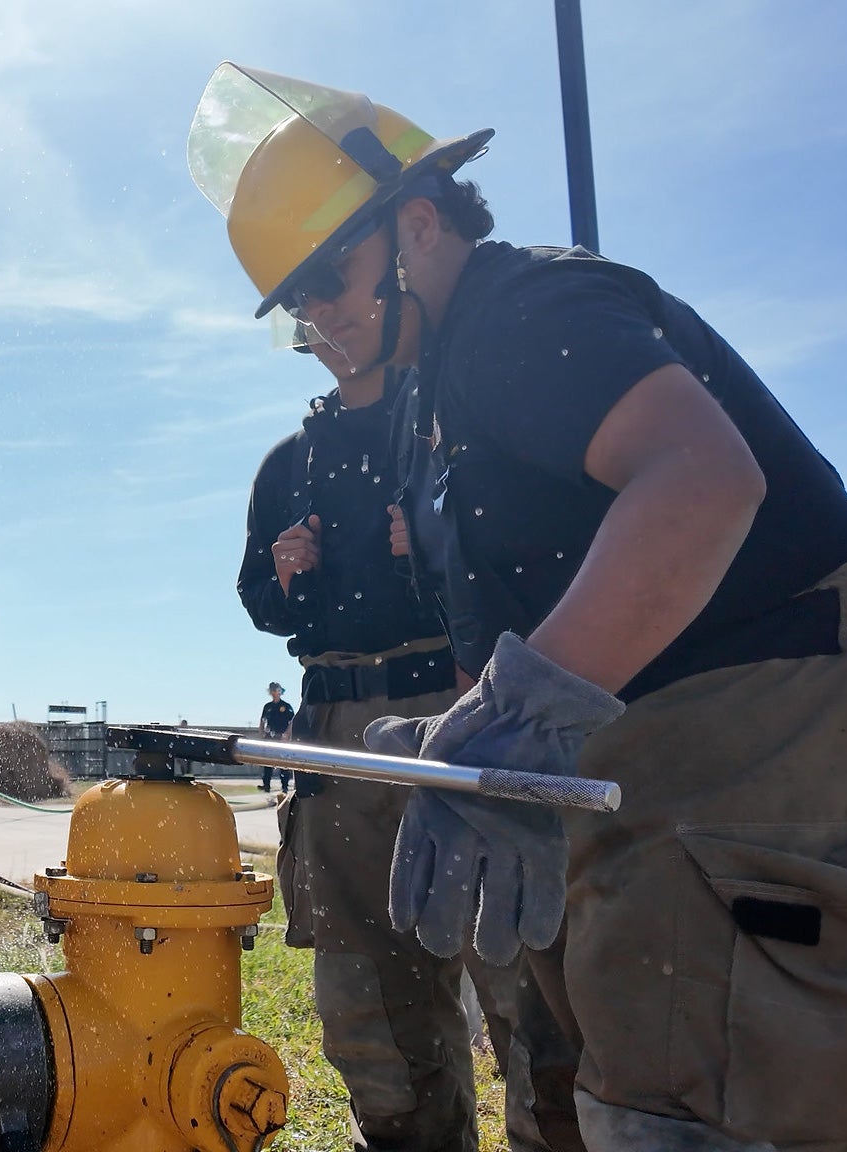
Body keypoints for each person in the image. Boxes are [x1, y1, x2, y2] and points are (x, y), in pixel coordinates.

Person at [190, 66, 847, 1152]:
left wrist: (524, 711)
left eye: (328, 276)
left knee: (721, 1060)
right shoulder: (436, 393)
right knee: (622, 1015)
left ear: (416, 226)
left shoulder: (524, 311)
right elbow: (498, 606)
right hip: (649, 693)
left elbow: (702, 482)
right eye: (297, 306)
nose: (318, 317)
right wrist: (466, 736)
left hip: (753, 674)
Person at [234, 321, 518, 1152]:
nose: (330, 325)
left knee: (517, 974)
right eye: (311, 311)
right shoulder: (286, 463)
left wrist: (440, 549)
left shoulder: (453, 427)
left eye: (344, 297)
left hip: (457, 702)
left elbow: (531, 559)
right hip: (337, 730)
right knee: (370, 994)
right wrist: (283, 575)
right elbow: (258, 599)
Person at [258, 681, 294, 791]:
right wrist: (262, 731)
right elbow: (262, 720)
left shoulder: (286, 706)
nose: (274, 693)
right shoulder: (267, 706)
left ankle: (284, 786)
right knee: (267, 762)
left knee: (283, 763)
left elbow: (292, 721)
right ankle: (266, 785)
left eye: (276, 690)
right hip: (270, 737)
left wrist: (287, 735)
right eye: (272, 690)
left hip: (281, 737)